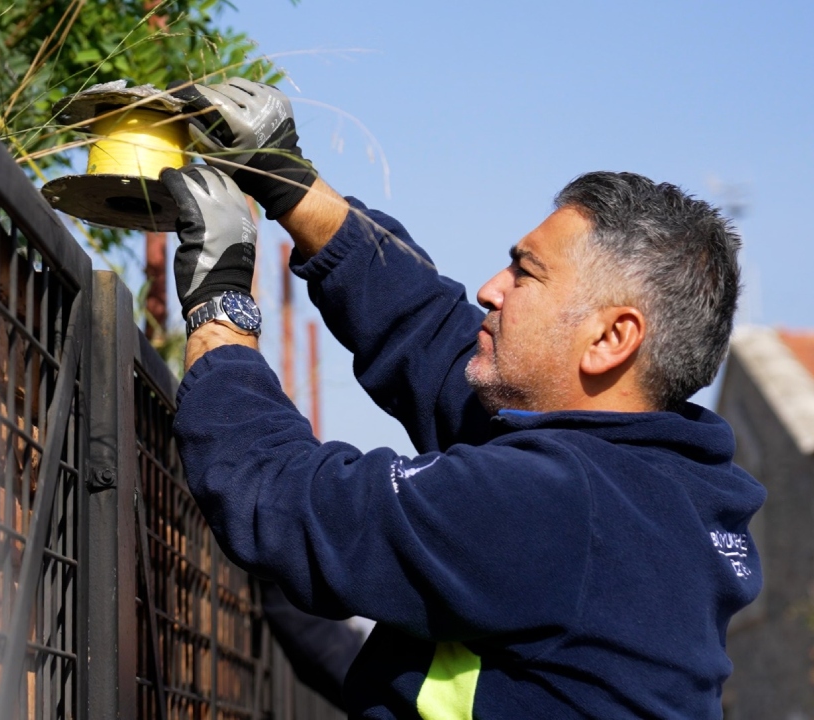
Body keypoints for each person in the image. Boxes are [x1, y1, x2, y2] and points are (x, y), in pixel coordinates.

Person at [159, 78, 765, 719]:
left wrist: (220, 309)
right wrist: (288, 179)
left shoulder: (553, 507)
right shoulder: (660, 489)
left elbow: (291, 502)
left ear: (611, 338)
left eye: (526, 273)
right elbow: (429, 338)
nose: (490, 289)